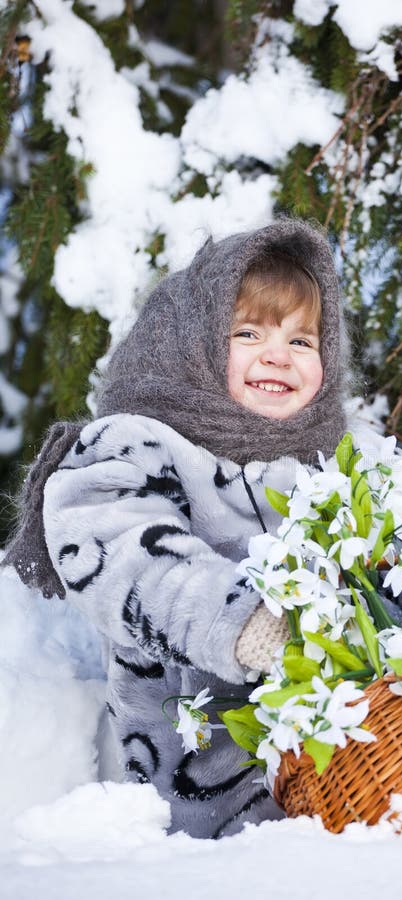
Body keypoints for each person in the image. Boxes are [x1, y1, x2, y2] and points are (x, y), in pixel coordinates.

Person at [4, 218, 350, 839]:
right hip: (200, 804)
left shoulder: (341, 471)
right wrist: (244, 623)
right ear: (189, 346)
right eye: (248, 333)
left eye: (302, 340)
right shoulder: (136, 445)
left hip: (350, 785)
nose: (279, 355)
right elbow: (124, 551)